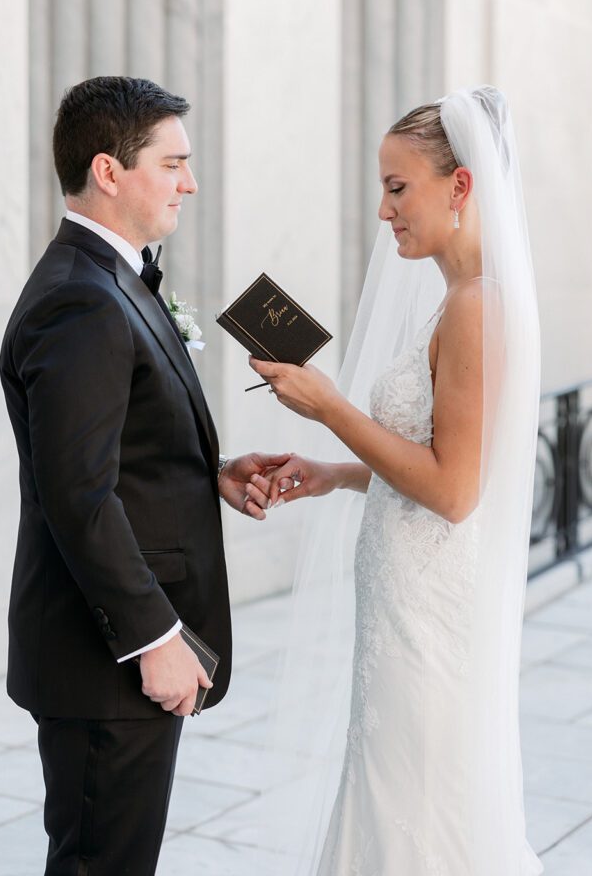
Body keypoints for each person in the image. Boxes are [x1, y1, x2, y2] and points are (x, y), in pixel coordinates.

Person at [249, 86, 544, 874]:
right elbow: (435, 454)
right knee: (392, 792)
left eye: (395, 187)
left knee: (416, 803)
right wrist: (332, 472)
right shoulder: (459, 298)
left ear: (460, 186)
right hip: (405, 600)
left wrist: (329, 408)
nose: (384, 212)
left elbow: (453, 491)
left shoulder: (476, 306)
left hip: (429, 615)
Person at [0, 76, 282, 876]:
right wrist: (154, 638)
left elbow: (110, 456)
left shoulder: (116, 275)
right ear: (109, 170)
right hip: (106, 659)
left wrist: (208, 473)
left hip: (117, 652)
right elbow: (77, 494)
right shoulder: (80, 300)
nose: (189, 183)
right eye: (173, 164)